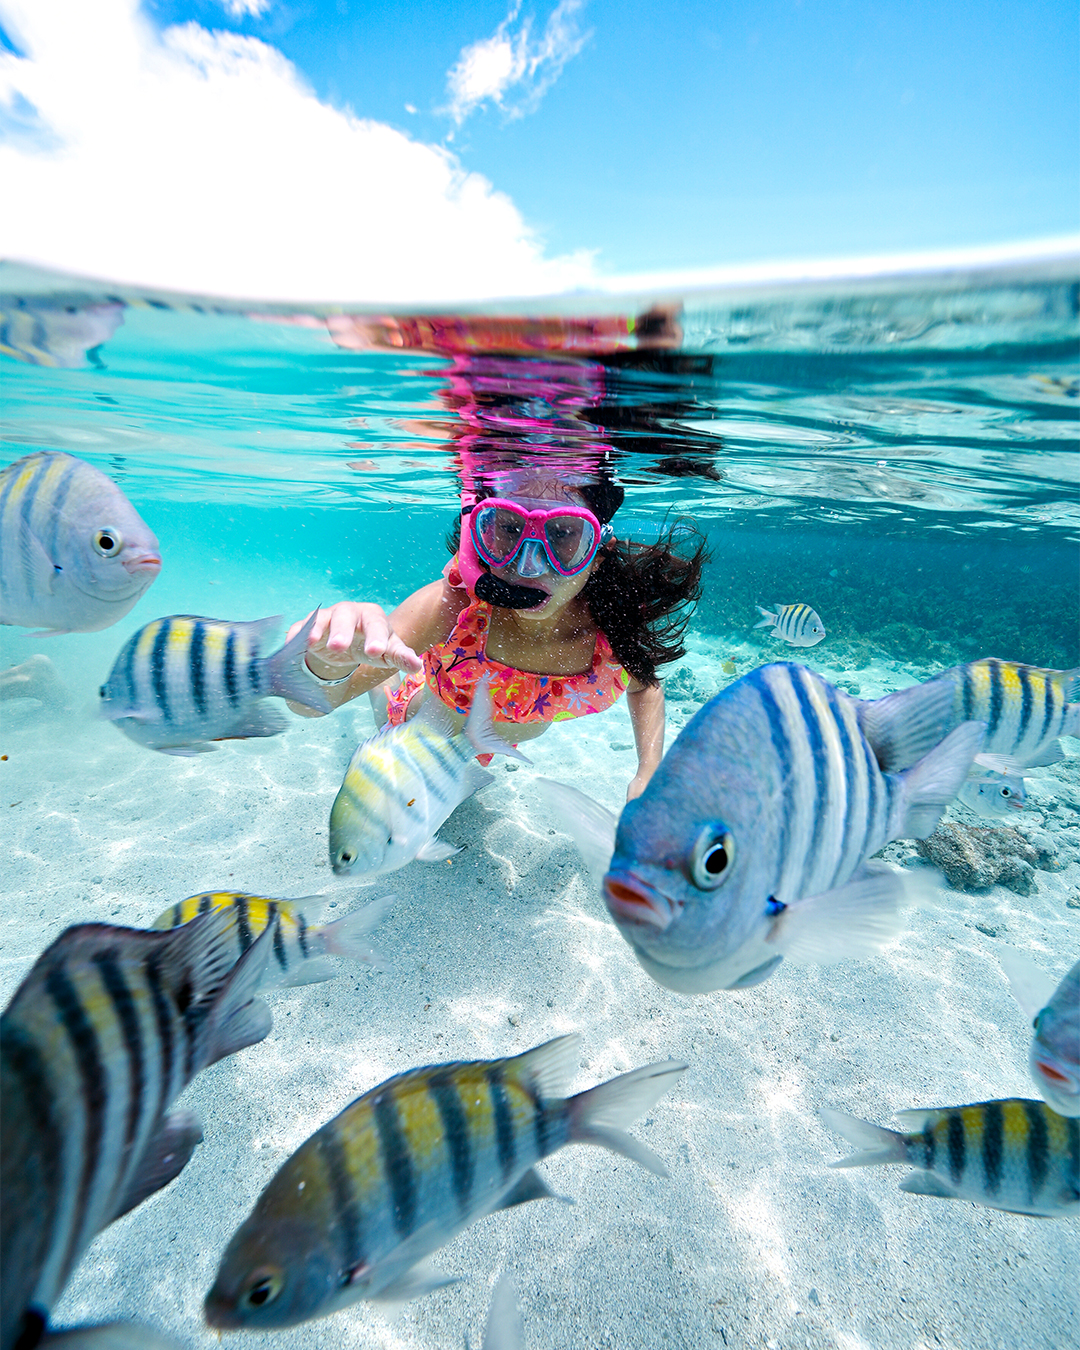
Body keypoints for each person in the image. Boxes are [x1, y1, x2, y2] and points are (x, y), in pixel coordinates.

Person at [288, 469, 705, 801]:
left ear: (596, 552)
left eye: (563, 534)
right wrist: (326, 661)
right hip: (419, 731)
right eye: (508, 529)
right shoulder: (453, 609)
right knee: (384, 681)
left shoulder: (610, 627)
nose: (528, 567)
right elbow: (310, 706)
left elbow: (644, 686)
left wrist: (648, 771)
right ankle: (385, 681)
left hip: (483, 740)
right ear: (480, 535)